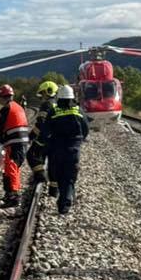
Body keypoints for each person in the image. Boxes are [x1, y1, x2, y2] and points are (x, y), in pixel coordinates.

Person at [43, 84, 90, 216]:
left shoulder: (53, 111)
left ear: (59, 98)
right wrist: (78, 141)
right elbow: (86, 129)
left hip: (57, 150)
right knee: (69, 176)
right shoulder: (78, 111)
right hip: (73, 150)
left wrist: (45, 146)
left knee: (59, 175)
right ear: (72, 98)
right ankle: (66, 201)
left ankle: (63, 199)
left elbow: (45, 131)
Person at [0, 84, 30, 207]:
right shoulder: (18, 107)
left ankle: (13, 197)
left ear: (1, 97)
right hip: (22, 143)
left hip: (13, 143)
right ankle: (10, 194)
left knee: (11, 169)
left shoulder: (6, 109)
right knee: (12, 168)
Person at [27, 80, 57, 190]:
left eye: (43, 93)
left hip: (45, 138)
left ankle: (40, 177)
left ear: (48, 92)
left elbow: (41, 123)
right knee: (52, 162)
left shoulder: (47, 105)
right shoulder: (57, 103)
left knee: (32, 154)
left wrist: (31, 136)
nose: (42, 96)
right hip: (55, 138)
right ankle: (53, 189)